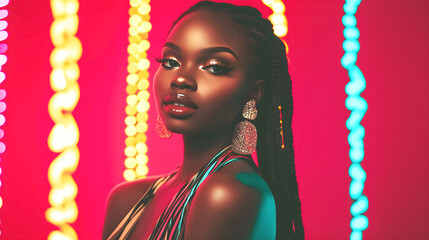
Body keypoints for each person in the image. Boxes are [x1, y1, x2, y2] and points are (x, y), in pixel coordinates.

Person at [102, 1, 304, 239]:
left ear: (254, 92)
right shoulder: (127, 199)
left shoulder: (230, 192)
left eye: (214, 67)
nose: (181, 79)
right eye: (171, 62)